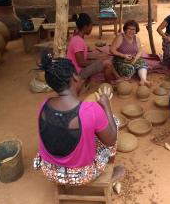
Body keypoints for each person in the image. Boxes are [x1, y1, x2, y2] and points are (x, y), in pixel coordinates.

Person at [33, 53, 125, 185]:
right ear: (75, 77)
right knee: (113, 123)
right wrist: (106, 106)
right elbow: (111, 140)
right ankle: (109, 172)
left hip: (50, 171)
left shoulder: (44, 105)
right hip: (80, 176)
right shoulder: (90, 109)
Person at [67, 13, 116, 83]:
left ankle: (116, 78)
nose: (91, 28)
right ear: (85, 27)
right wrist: (98, 62)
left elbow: (82, 56)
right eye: (91, 26)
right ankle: (109, 85)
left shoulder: (77, 37)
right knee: (107, 63)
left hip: (78, 69)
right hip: (78, 73)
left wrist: (99, 59)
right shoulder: (77, 41)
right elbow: (81, 63)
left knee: (105, 58)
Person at [110, 20, 151, 87]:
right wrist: (123, 55)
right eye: (129, 29)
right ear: (125, 29)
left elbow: (140, 50)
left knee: (143, 63)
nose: (131, 31)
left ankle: (143, 80)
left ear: (136, 30)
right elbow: (111, 50)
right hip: (120, 60)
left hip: (132, 59)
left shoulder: (136, 38)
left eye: (133, 29)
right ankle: (123, 78)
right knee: (129, 68)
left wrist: (136, 59)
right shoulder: (120, 37)